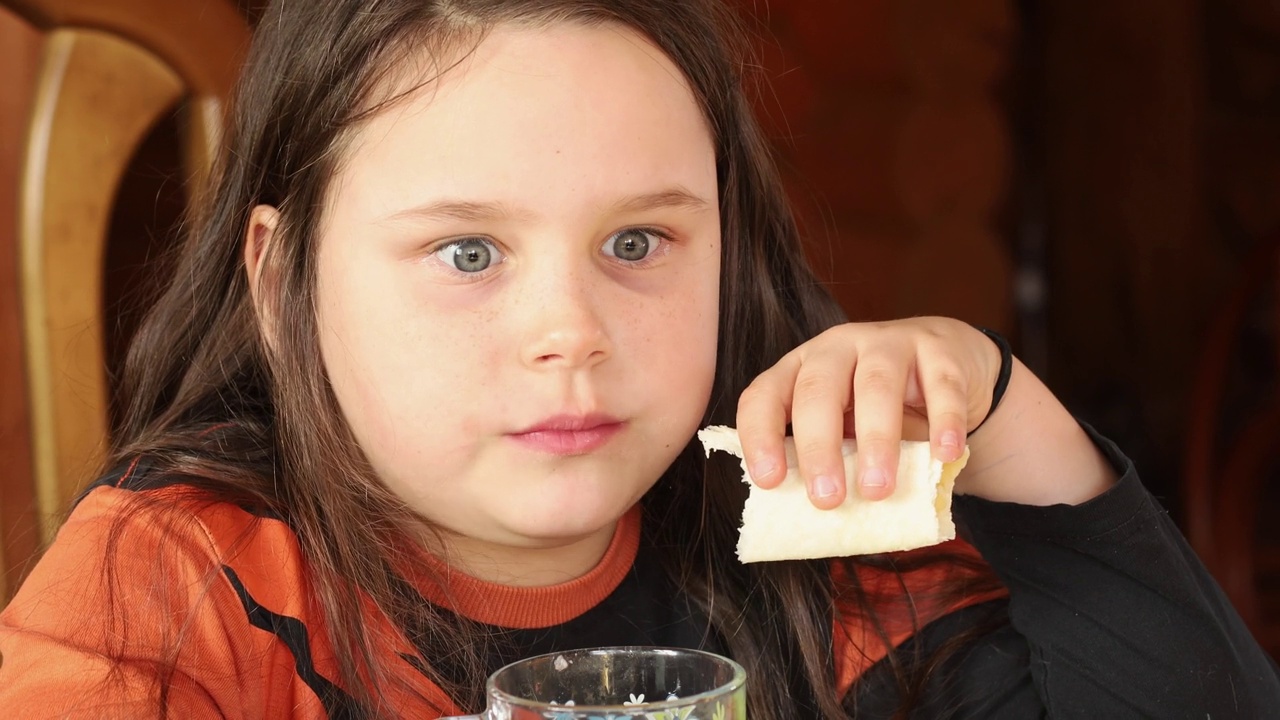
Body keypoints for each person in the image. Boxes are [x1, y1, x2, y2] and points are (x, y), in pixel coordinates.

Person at [1, 0, 1276, 717]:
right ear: (280, 283)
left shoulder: (813, 566)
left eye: (636, 239)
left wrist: (1000, 408)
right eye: (465, 253)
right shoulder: (172, 593)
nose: (574, 332)